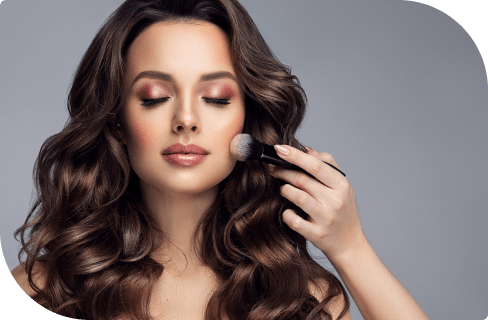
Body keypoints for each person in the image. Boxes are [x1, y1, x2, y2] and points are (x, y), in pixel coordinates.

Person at [11, 0, 429, 319]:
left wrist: (351, 249)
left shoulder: (303, 300)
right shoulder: (43, 292)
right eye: (155, 97)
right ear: (116, 120)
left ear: (247, 116)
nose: (187, 120)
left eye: (216, 97)